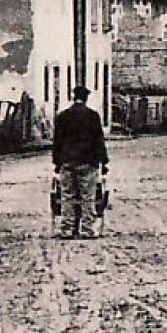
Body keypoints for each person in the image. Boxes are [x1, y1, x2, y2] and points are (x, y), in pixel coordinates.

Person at [52, 84, 108, 239]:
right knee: (87, 196)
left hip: (67, 161)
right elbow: (99, 141)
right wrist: (104, 163)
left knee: (67, 196)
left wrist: (57, 162)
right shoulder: (93, 116)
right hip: (88, 162)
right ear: (86, 98)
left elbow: (57, 141)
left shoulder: (63, 116)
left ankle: (67, 229)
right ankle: (87, 229)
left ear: (73, 97)